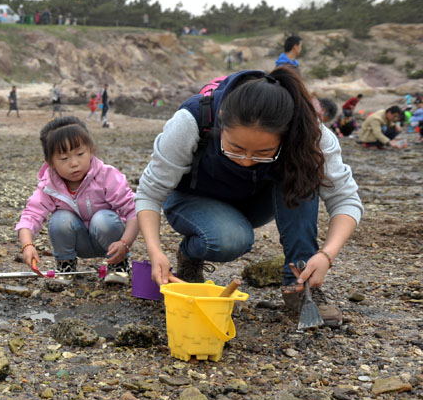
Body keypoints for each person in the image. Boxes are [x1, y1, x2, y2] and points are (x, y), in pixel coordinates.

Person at [136, 67, 363, 328]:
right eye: (236, 148)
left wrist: (326, 255)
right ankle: (190, 256)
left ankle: (300, 286)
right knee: (231, 239)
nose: (246, 161)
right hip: (193, 202)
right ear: (221, 120)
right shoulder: (194, 118)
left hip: (255, 203)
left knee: (302, 175)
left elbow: (346, 199)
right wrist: (155, 251)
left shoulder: (309, 132)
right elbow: (149, 194)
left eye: (264, 152)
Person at [16, 117, 139, 284]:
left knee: (103, 218)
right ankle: (66, 265)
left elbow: (133, 211)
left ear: (90, 150)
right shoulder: (49, 185)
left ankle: (119, 265)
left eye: (80, 154)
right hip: (77, 241)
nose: (74, 163)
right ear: (50, 163)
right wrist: (27, 245)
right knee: (60, 219)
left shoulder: (107, 176)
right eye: (64, 159)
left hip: (111, 242)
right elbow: (31, 214)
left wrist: (125, 243)